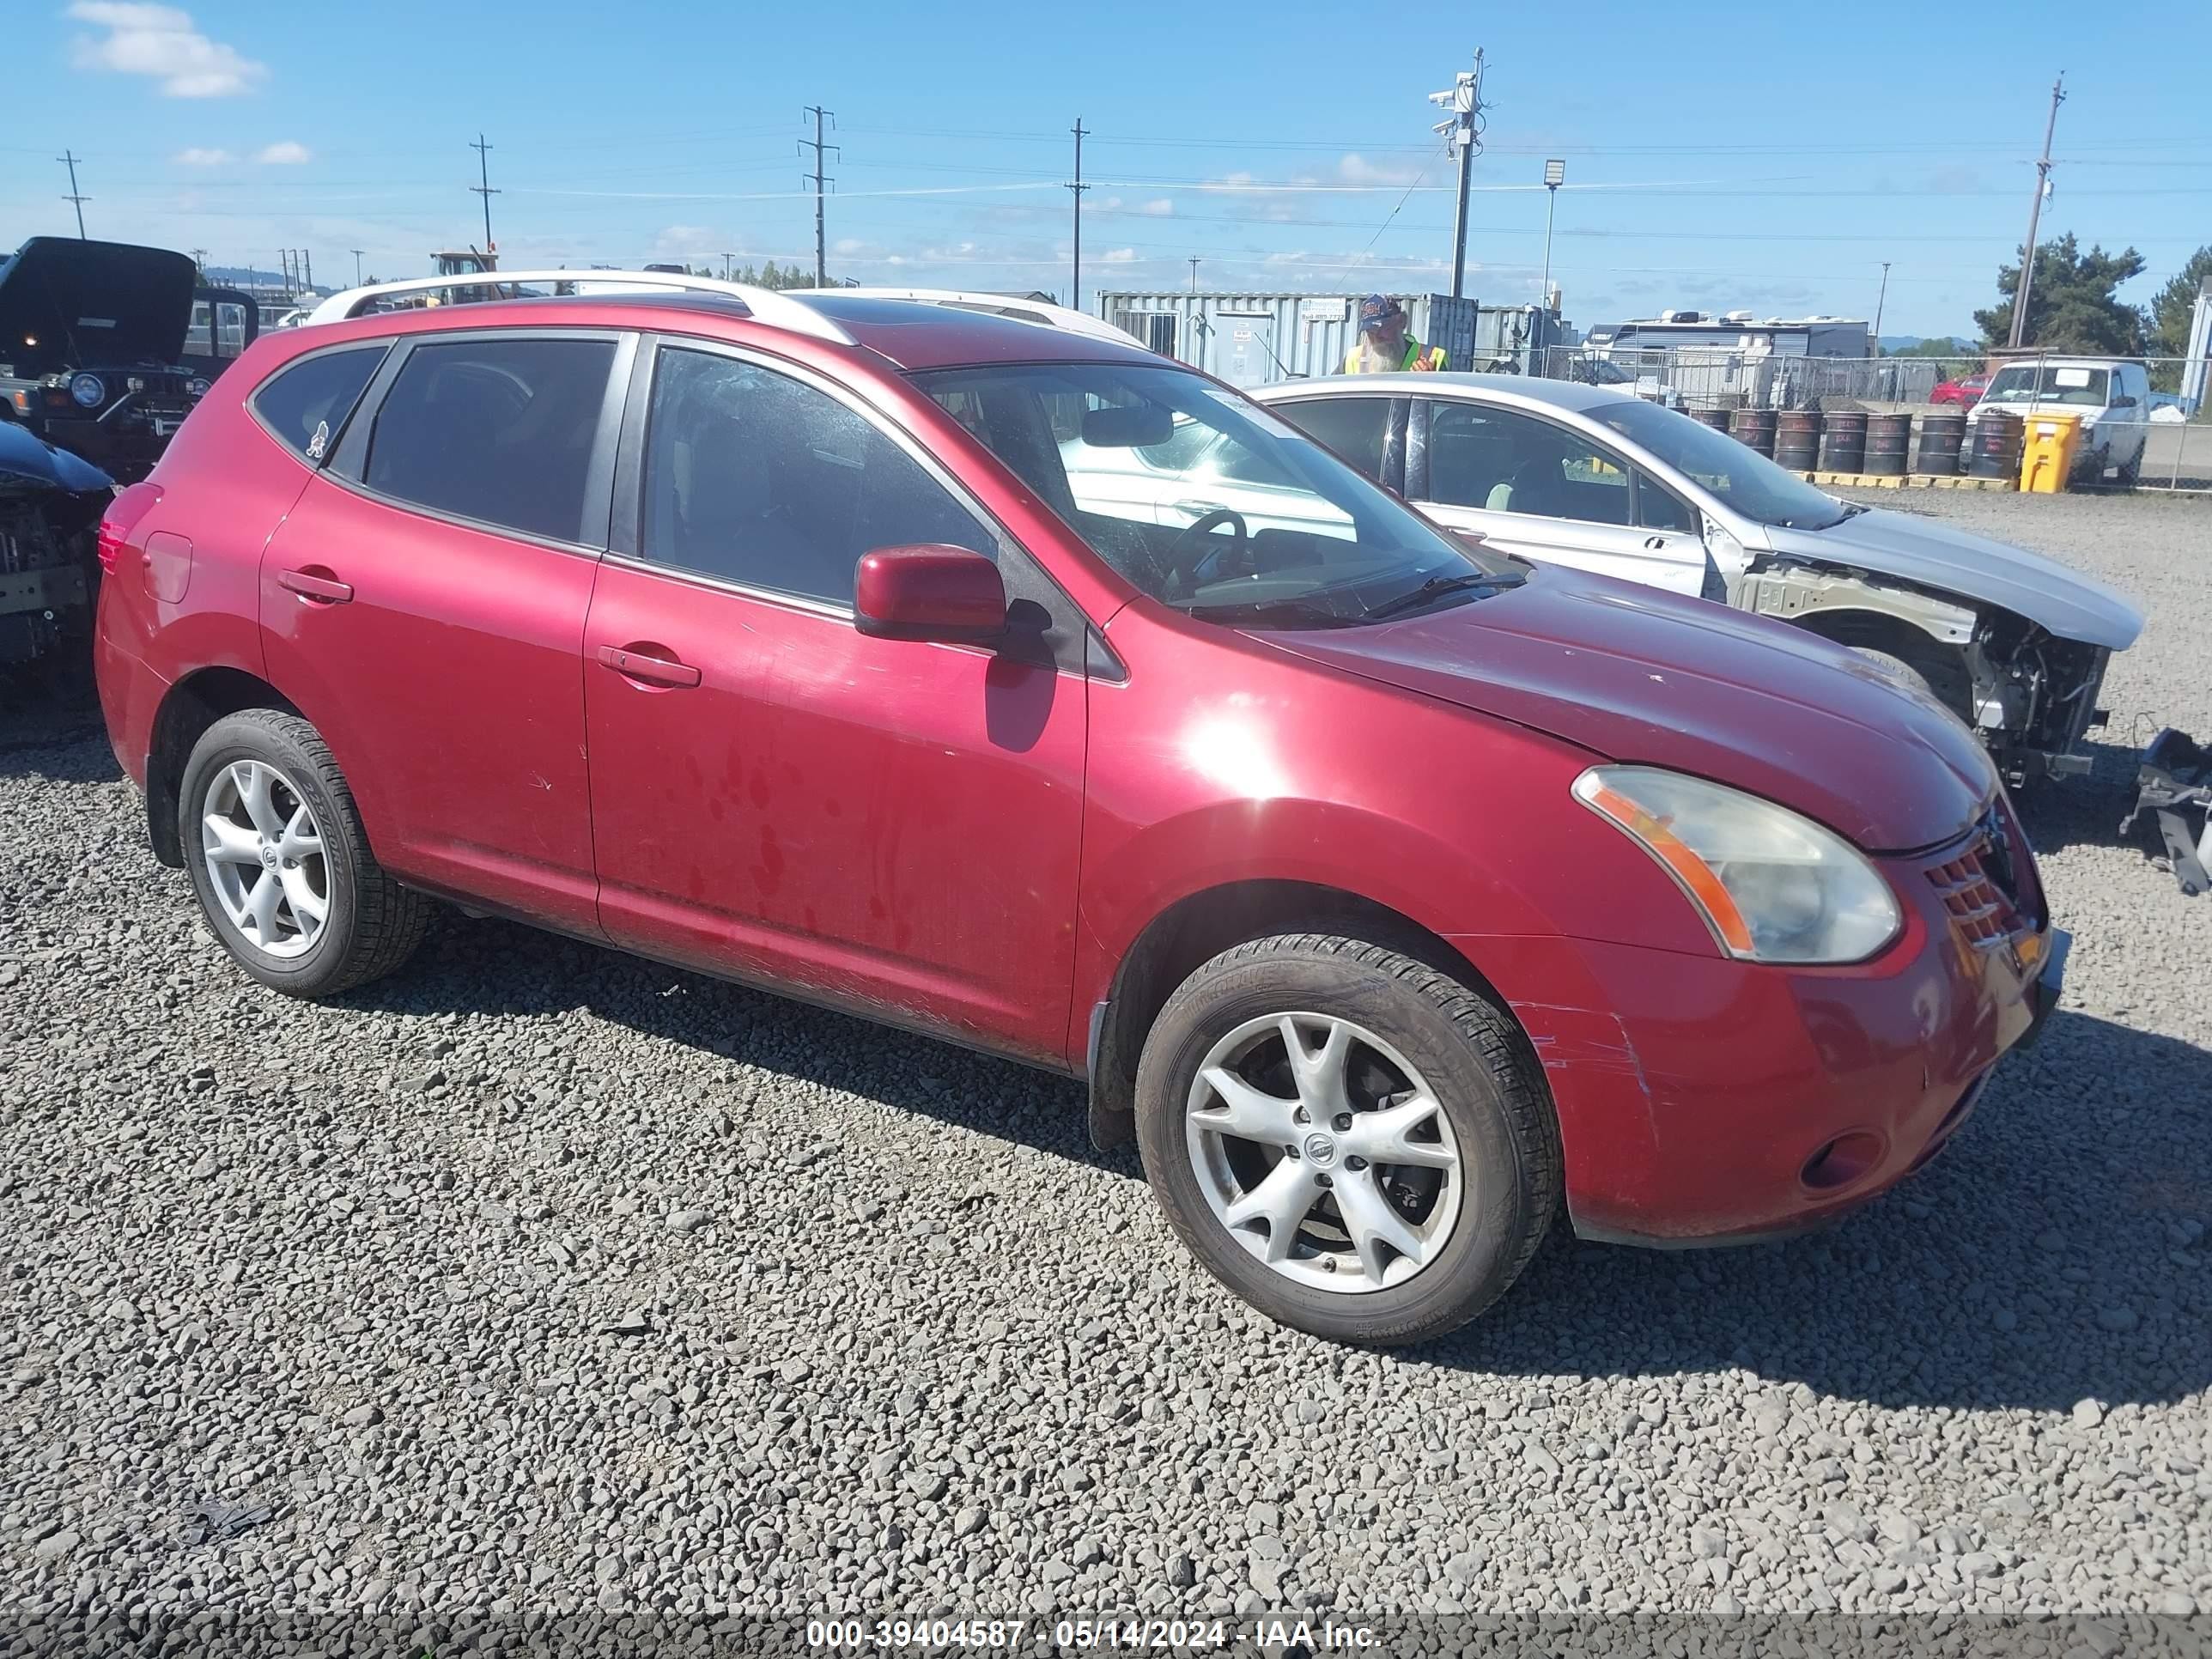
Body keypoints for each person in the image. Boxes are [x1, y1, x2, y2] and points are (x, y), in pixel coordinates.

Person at [1342, 295, 1447, 374]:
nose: (1377, 337)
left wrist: (1432, 380)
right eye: (1371, 331)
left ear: (1402, 321)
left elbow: (1447, 400)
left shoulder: (1432, 357)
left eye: (1384, 328)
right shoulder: (1353, 359)